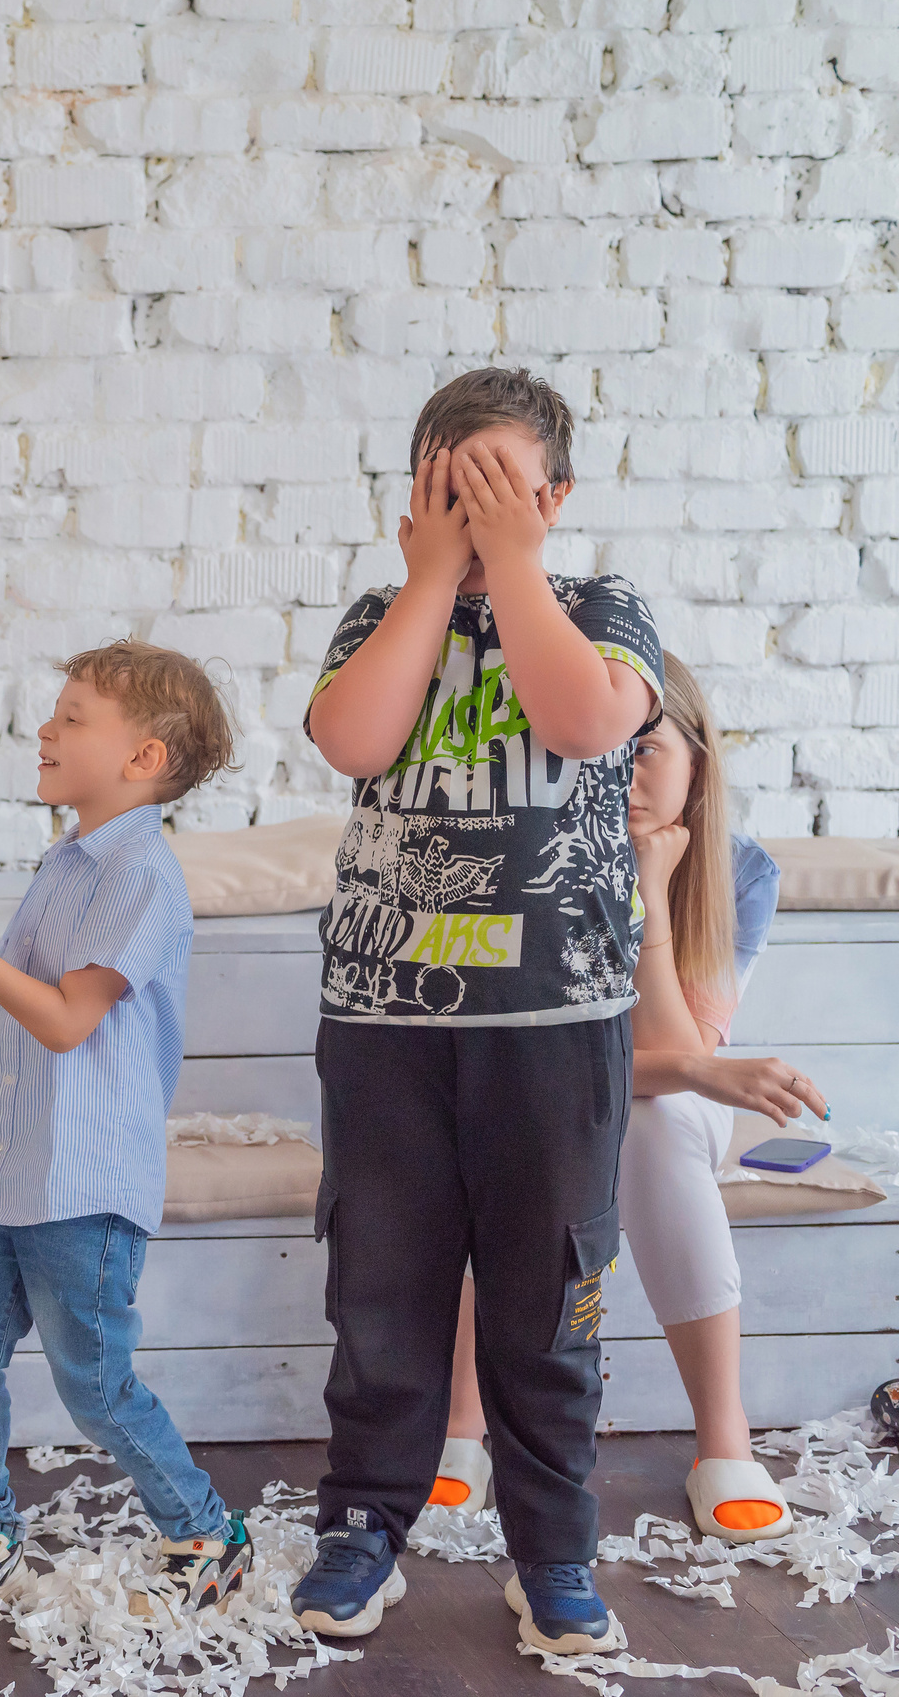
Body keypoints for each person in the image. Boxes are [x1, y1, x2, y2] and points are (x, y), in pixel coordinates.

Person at [292, 367, 663, 1656]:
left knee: (547, 1298)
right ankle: (362, 1525)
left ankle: (553, 1550)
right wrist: (426, 579)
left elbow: (583, 717)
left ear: (554, 498)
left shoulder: (601, 611)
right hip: (385, 1025)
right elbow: (352, 739)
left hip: (552, 1024)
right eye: (454, 488)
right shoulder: (374, 618)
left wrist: (508, 563)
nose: (477, 509)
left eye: (504, 487)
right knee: (380, 1286)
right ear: (411, 498)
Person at [0, 642, 250, 1631]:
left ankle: (206, 1533)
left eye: (72, 717)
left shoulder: (142, 875)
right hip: (13, 1172)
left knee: (94, 1381)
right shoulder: (64, 862)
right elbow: (10, 1011)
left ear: (143, 758)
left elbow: (70, 1019)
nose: (45, 730)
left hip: (85, 1180)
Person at [426, 654, 826, 1545]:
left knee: (655, 1119)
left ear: (699, 760)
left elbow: (677, 1057)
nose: (623, 776)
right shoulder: (535, 851)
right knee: (490, 1128)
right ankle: (461, 1422)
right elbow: (534, 1056)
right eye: (605, 754)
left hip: (666, 1099)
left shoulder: (739, 870)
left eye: (647, 752)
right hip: (543, 1089)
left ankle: (723, 1437)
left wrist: (650, 895)